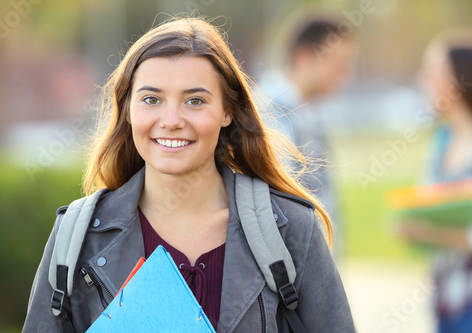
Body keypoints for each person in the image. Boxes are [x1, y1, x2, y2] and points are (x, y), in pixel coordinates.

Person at [22, 17, 355, 332]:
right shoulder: (77, 237)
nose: (171, 119)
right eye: (151, 99)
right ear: (127, 110)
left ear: (227, 110)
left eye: (195, 101)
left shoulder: (293, 230)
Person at [259, 17, 355, 252]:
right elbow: (277, 210)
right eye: (337, 62)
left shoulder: (306, 112)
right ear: (304, 57)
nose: (344, 74)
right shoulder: (272, 115)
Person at [398, 31, 472, 332]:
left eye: (432, 72)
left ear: (456, 81)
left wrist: (429, 232)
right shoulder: (440, 142)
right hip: (445, 302)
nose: (422, 80)